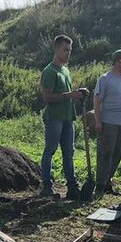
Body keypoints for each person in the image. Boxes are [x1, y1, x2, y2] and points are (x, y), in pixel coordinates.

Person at [39, 35, 88, 201]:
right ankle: (47, 185)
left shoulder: (66, 71)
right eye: (65, 50)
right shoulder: (49, 71)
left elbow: (66, 95)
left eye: (70, 50)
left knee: (69, 153)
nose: (68, 54)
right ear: (56, 50)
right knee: (50, 151)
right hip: (54, 118)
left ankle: (72, 186)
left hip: (68, 117)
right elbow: (47, 97)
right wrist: (69, 95)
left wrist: (77, 95)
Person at [92, 49, 121, 195]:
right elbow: (97, 102)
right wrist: (98, 121)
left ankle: (108, 181)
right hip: (108, 122)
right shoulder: (105, 79)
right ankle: (100, 184)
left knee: (118, 153)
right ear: (115, 62)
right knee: (105, 153)